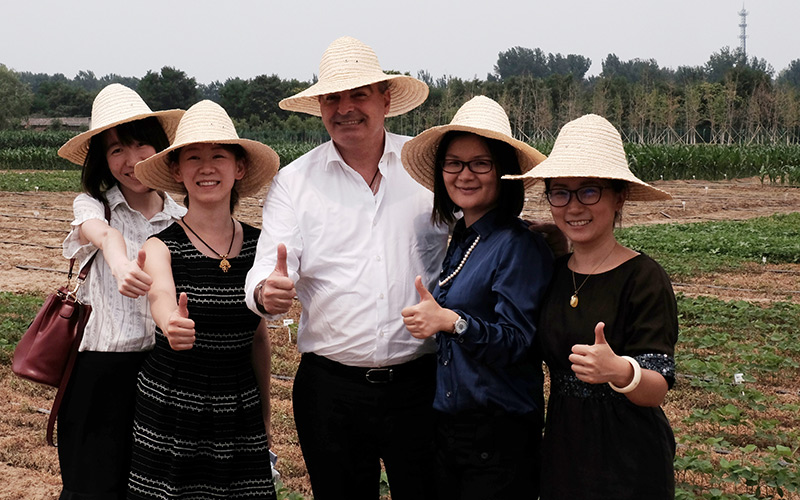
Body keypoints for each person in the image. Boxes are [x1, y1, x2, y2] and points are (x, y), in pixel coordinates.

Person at [244, 36, 448, 500]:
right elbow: (266, 269)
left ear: (385, 99)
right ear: (319, 106)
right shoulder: (295, 182)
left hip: (423, 383)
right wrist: (265, 292)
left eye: (359, 95)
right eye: (333, 98)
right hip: (331, 390)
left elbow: (481, 225)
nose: (345, 108)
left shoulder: (428, 169)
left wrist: (539, 233)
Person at [507, 113, 677, 499]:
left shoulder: (643, 278)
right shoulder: (551, 273)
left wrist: (620, 370)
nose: (572, 206)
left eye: (589, 191)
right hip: (564, 450)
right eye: (560, 192)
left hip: (630, 458)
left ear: (619, 196)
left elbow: (657, 387)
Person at [400, 95, 553, 500]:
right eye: (453, 163)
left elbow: (519, 341)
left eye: (480, 163)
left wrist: (452, 321)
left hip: (498, 432)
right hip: (454, 428)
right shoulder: (464, 237)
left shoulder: (518, 246)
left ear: (503, 172)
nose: (464, 174)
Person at [129, 100, 279, 499]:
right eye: (193, 157)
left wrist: (265, 415)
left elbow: (258, 339)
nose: (206, 167)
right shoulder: (162, 245)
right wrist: (169, 322)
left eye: (218, 156)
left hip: (239, 405)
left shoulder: (259, 246)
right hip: (173, 404)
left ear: (239, 168)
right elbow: (159, 293)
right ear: (177, 171)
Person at [56, 83, 185, 500]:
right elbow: (101, 234)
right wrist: (118, 257)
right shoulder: (94, 206)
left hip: (164, 373)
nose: (131, 161)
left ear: (159, 147)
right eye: (115, 151)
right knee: (92, 488)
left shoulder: (182, 218)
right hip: (99, 375)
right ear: (103, 162)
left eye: (139, 144)